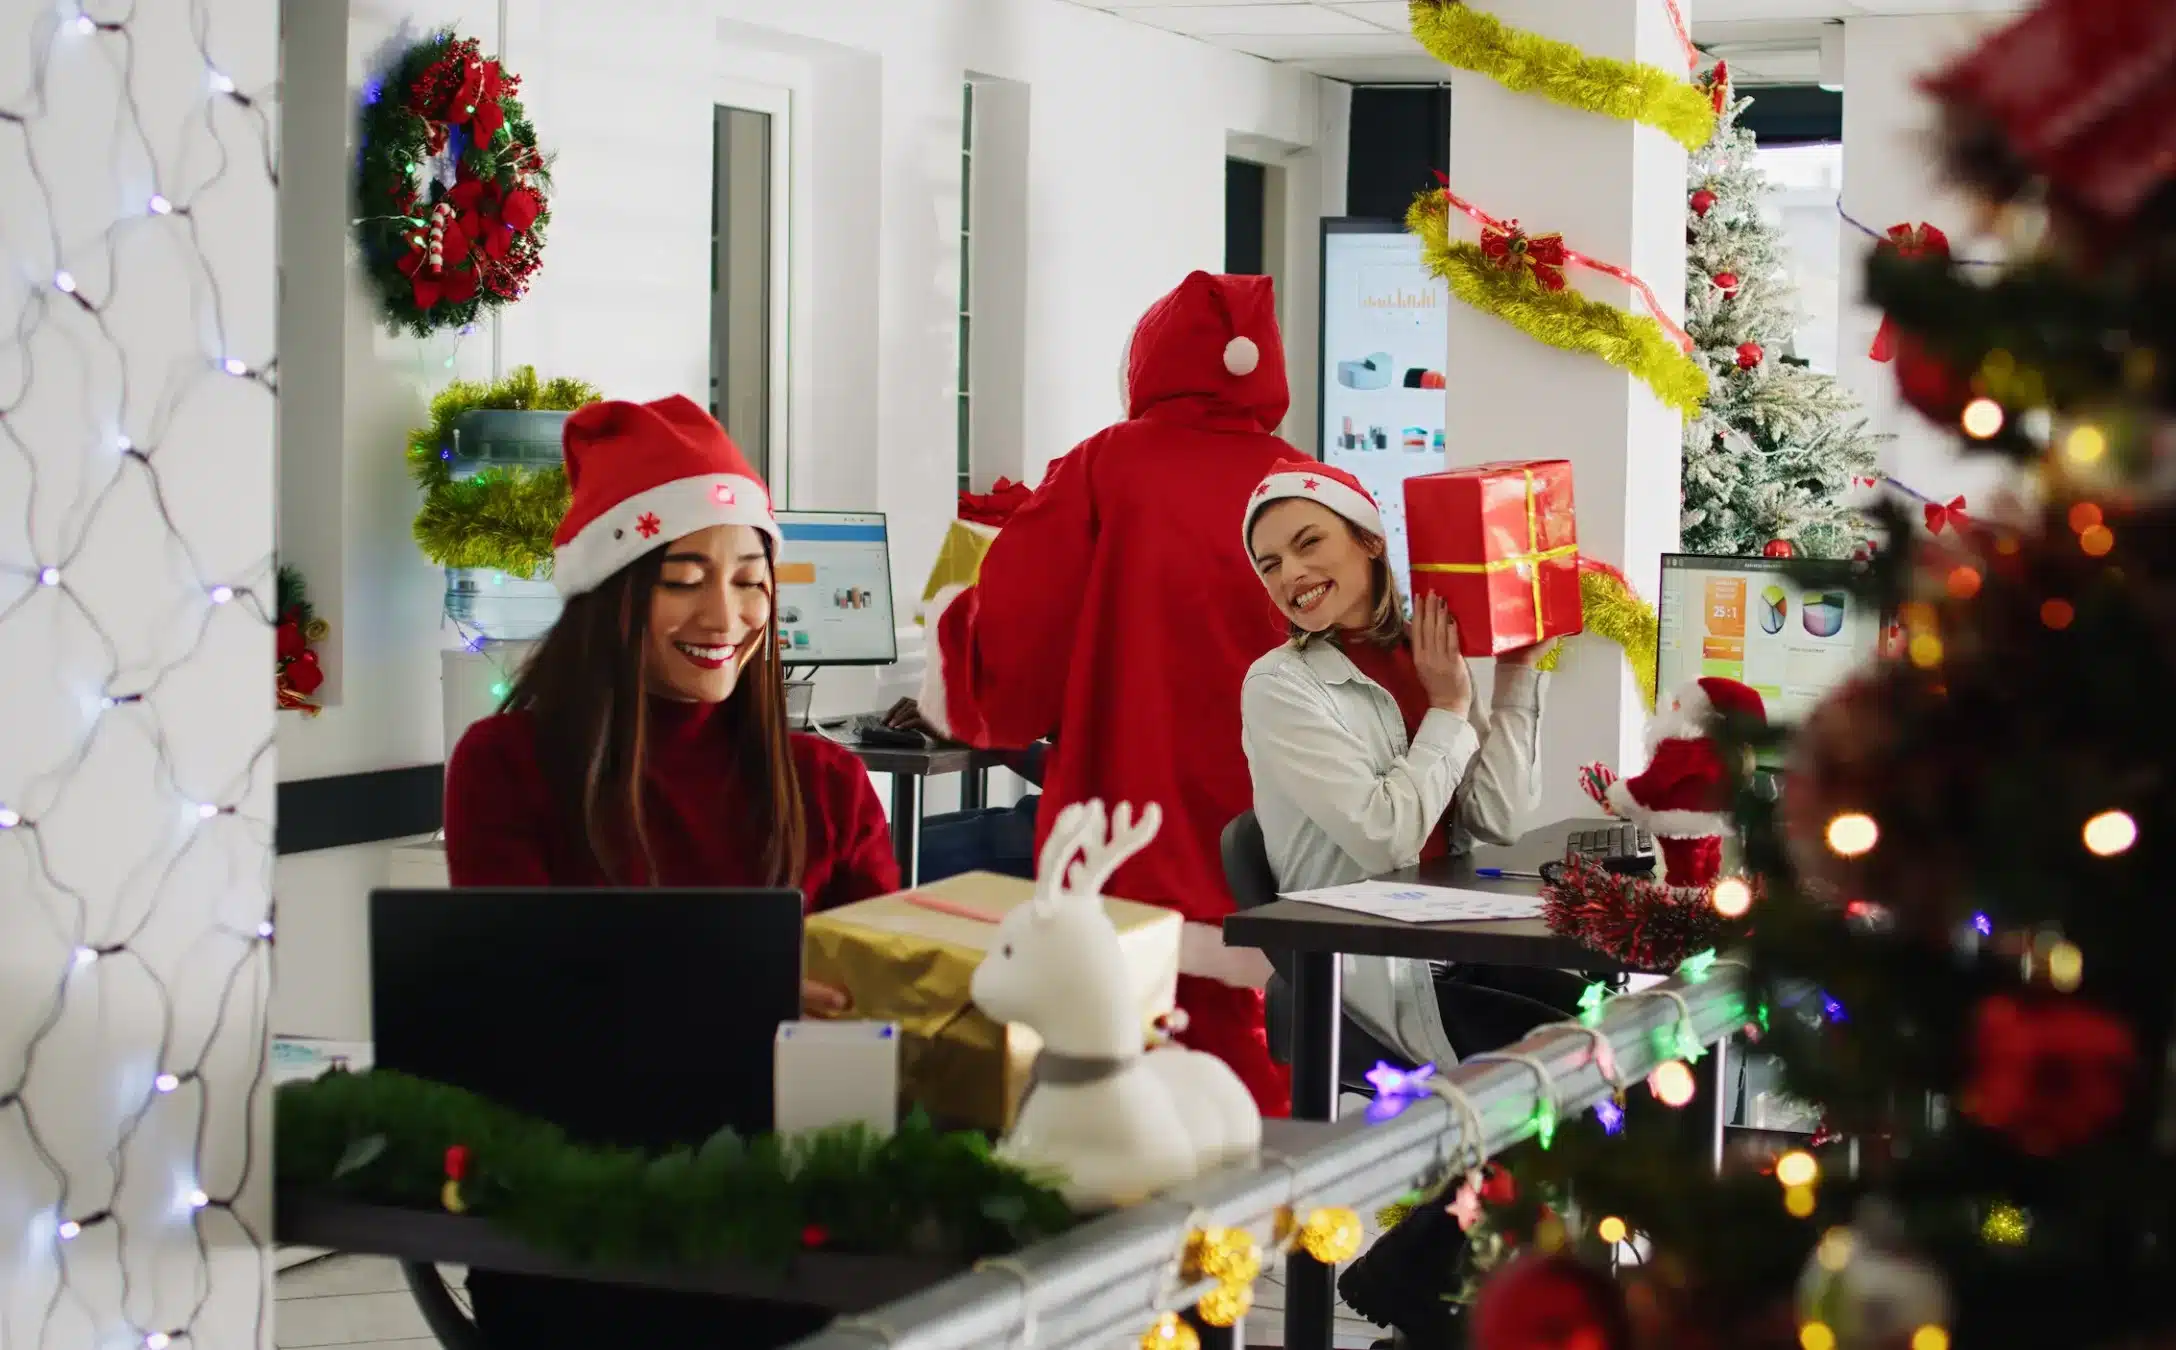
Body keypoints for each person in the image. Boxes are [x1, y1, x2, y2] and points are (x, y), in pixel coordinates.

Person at [443, 393, 900, 1349]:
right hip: (584, 1223)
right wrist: (748, 999)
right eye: (683, 577)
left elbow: (882, 1003)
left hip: (797, 1216)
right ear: (615, 593)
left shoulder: (828, 780)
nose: (725, 615)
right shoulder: (506, 765)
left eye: (750, 579)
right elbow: (519, 1008)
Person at [907, 270, 1298, 1113]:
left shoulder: (1105, 469)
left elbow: (1010, 663)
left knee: (1116, 1115)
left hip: (1129, 863)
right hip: (1289, 874)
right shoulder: (1316, 490)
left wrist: (953, 615)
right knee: (1264, 1118)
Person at [1237, 461, 1582, 1072]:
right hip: (1377, 968)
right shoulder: (1278, 685)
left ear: (1369, 539)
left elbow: (1498, 819)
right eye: (1269, 565)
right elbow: (1385, 838)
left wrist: (1515, 674)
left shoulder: (1423, 653)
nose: (1290, 573)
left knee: (1610, 1017)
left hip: (1457, 939)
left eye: (1308, 543)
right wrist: (1449, 706)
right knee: (1585, 1062)